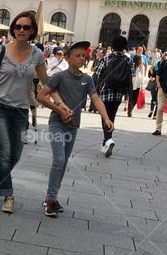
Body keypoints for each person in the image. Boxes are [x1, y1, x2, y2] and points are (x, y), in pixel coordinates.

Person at [0, 10, 48, 214]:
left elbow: (46, 82)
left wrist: (60, 103)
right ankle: (9, 194)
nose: (21, 30)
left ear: (32, 31)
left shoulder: (37, 54)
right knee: (4, 153)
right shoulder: (1, 51)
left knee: (15, 156)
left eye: (26, 27)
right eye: (18, 26)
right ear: (13, 28)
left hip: (21, 111)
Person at [37, 41, 113, 216]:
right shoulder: (59, 77)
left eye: (83, 55)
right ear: (68, 58)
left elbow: (95, 99)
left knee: (62, 163)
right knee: (59, 159)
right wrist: (59, 110)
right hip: (57, 123)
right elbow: (41, 96)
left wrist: (106, 118)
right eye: (77, 55)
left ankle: (53, 198)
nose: (82, 58)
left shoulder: (86, 79)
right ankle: (50, 200)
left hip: (73, 126)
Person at [95, 35, 133, 157]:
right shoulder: (128, 60)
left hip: (105, 92)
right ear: (124, 47)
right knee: (112, 116)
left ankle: (108, 139)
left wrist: (95, 92)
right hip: (118, 93)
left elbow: (99, 75)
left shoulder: (107, 58)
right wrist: (130, 96)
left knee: (104, 117)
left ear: (113, 45)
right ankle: (105, 142)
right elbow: (130, 78)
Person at [126, 53, 147, 117]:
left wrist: (142, 83)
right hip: (134, 83)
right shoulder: (132, 65)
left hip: (135, 83)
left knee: (133, 98)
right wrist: (142, 84)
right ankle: (130, 109)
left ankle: (130, 109)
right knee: (133, 98)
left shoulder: (141, 66)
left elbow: (143, 75)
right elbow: (142, 76)